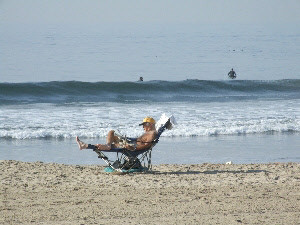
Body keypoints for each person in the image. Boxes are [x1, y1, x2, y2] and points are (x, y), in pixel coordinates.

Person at [76, 117, 157, 151]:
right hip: (130, 143)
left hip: (131, 146)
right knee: (111, 132)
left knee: (108, 143)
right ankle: (107, 145)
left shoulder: (152, 133)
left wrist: (133, 148)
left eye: (145, 125)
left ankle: (85, 146)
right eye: (143, 125)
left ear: (151, 124)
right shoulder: (149, 132)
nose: (143, 127)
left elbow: (147, 145)